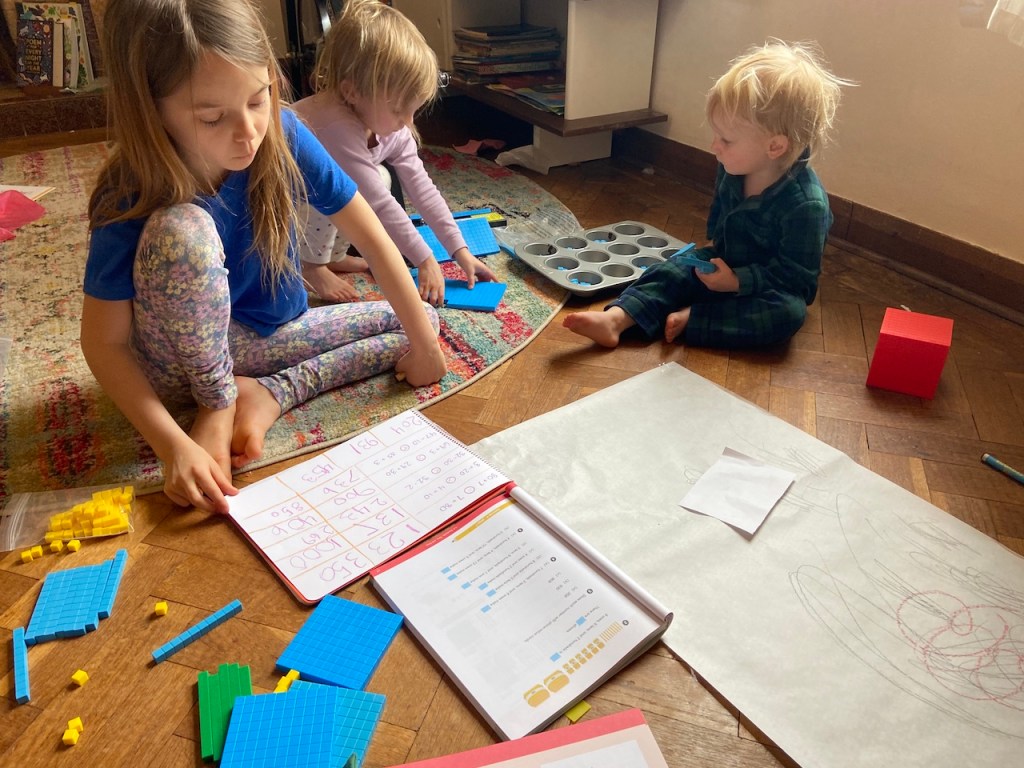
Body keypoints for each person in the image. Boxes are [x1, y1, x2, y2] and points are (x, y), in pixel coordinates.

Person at [81, 0, 446, 515]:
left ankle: (271, 393)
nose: (249, 132)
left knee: (422, 321)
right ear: (151, 108)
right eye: (212, 117)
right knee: (183, 230)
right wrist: (173, 444)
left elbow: (375, 239)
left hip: (267, 340)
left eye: (259, 99)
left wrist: (425, 346)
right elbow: (104, 343)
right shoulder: (129, 188)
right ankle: (220, 399)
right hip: (179, 365)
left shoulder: (284, 132)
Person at [564, 40, 853, 349]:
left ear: (775, 147)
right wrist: (712, 262)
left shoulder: (806, 205)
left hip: (766, 288)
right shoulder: (733, 167)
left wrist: (737, 282)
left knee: (787, 314)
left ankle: (695, 319)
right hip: (723, 263)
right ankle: (617, 319)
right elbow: (719, 226)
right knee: (673, 269)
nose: (715, 146)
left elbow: (799, 283)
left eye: (726, 140)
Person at [292, 0, 496, 305]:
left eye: (413, 110)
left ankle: (332, 255)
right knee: (343, 190)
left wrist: (459, 250)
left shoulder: (390, 123)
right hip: (278, 203)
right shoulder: (336, 126)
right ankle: (310, 265)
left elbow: (423, 189)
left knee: (379, 178)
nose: (408, 122)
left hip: (313, 197)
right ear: (352, 93)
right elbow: (378, 205)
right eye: (399, 110)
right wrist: (424, 258)